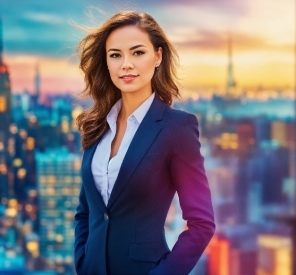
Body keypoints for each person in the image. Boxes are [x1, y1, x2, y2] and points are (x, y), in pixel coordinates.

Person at [73, 11, 215, 275]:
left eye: (137, 53)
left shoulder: (177, 128)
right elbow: (86, 211)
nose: (126, 64)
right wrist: (82, 261)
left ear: (158, 57)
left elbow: (202, 223)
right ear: (106, 62)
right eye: (115, 55)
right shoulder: (96, 126)